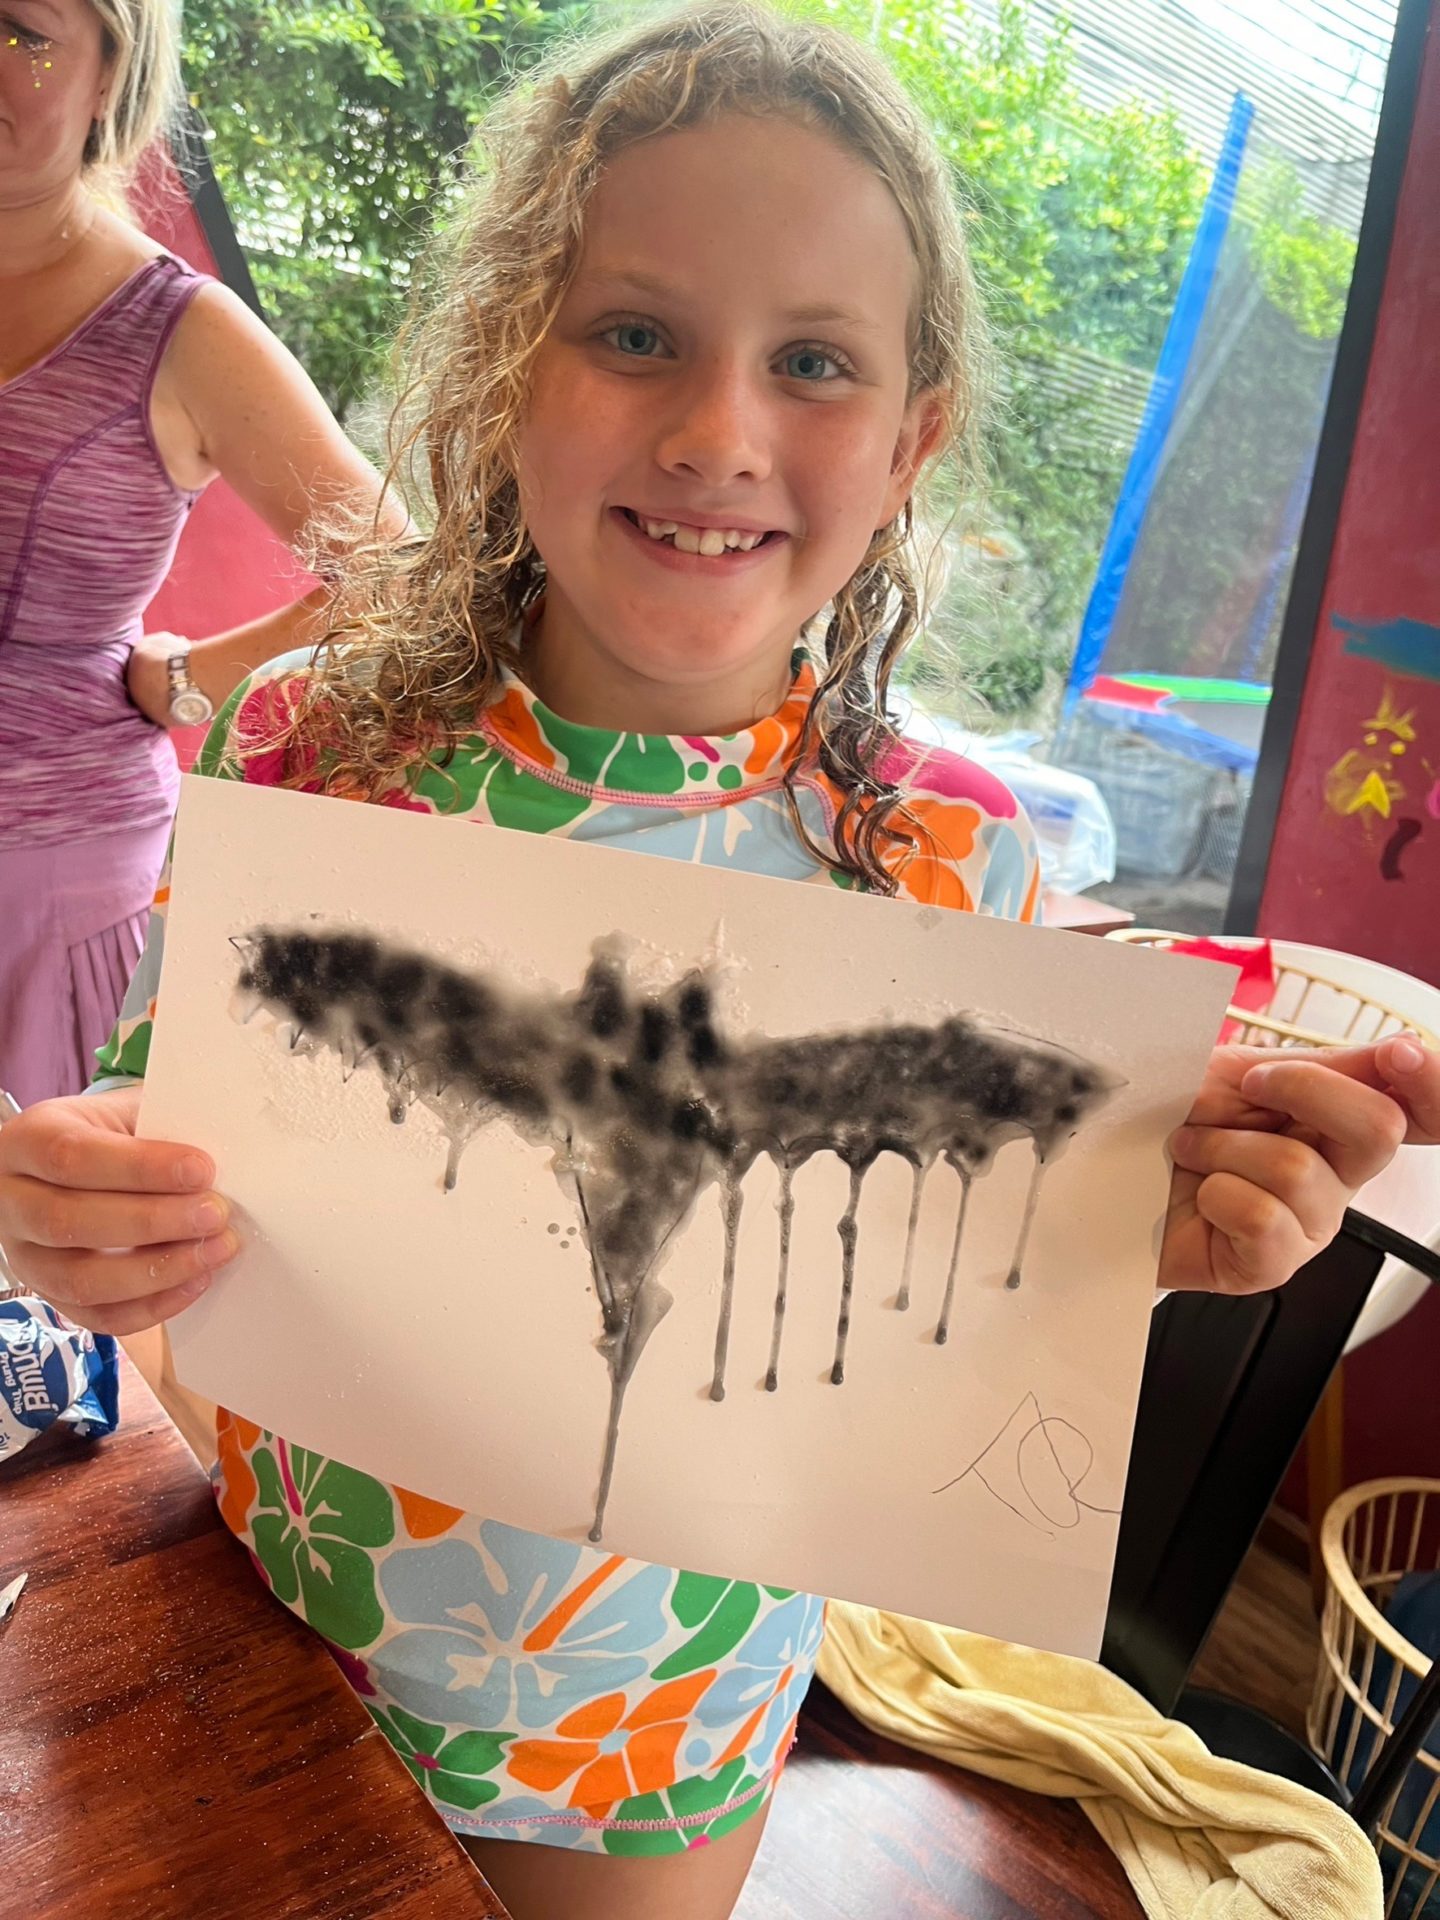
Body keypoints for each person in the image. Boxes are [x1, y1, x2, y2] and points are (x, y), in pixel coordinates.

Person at [0, 9, 1437, 1918]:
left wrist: (1147, 1242)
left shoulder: (948, 858)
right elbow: (147, 1122)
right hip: (264, 1613)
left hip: (655, 1736)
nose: (716, 433)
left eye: (814, 362)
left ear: (912, 438)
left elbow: (962, 1303)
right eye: (634, 333)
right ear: (510, 363)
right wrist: (77, 1200)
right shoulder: (310, 749)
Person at [0, 0, 397, 1108]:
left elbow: (403, 576)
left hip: (44, 906)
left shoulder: (178, 331)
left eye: (20, 29)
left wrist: (186, 679)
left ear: (110, 74)